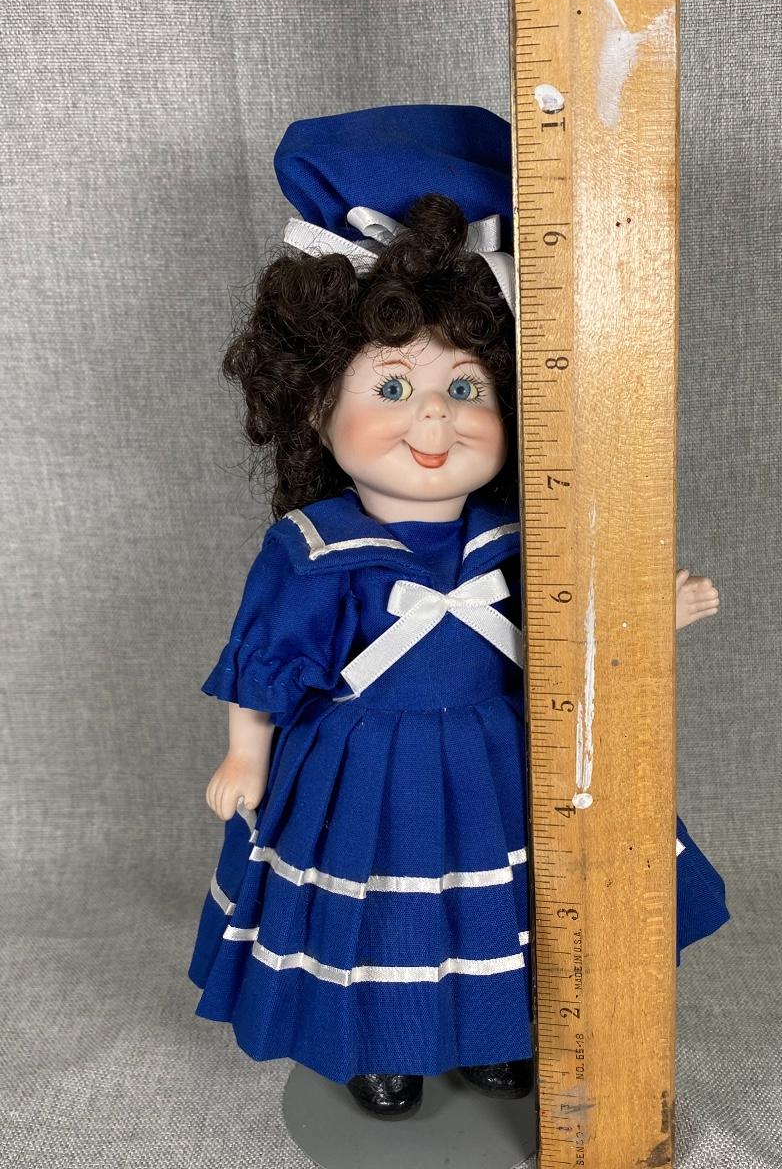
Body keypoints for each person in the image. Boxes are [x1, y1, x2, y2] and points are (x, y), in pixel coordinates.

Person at [187, 104, 731, 1119]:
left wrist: (647, 618)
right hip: (365, 765)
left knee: (509, 897)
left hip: (501, 752)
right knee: (383, 906)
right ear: (316, 406)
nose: (433, 416)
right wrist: (244, 755)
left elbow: (570, 630)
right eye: (393, 387)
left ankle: (496, 1034)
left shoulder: (523, 533)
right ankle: (377, 1043)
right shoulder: (313, 550)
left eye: (468, 387)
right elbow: (265, 663)